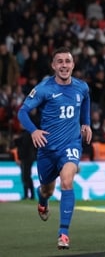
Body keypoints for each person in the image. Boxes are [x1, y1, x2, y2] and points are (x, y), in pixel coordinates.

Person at [17, 47, 93, 249]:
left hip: (71, 144)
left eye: (67, 61)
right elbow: (22, 112)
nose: (64, 65)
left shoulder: (81, 87)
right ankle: (42, 201)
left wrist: (86, 123)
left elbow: (86, 100)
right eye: (59, 61)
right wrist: (34, 131)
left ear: (73, 65)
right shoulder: (44, 89)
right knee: (47, 189)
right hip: (48, 149)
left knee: (67, 181)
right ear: (53, 65)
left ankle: (63, 234)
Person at [14, 109, 39, 200]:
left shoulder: (27, 134)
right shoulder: (25, 134)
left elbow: (24, 147)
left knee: (26, 176)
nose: (20, 125)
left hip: (27, 158)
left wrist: (17, 140)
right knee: (26, 176)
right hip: (26, 157)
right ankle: (28, 195)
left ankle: (29, 195)